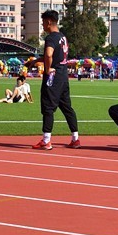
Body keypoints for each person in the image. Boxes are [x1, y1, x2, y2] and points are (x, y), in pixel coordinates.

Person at [33, 10, 81, 150]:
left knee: (48, 106)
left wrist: (47, 69)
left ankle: (46, 140)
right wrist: (36, 61)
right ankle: (75, 138)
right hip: (63, 75)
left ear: (48, 22)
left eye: (43, 22)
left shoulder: (51, 38)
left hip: (53, 76)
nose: (42, 25)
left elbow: (49, 55)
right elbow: (57, 56)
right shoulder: (62, 37)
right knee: (67, 107)